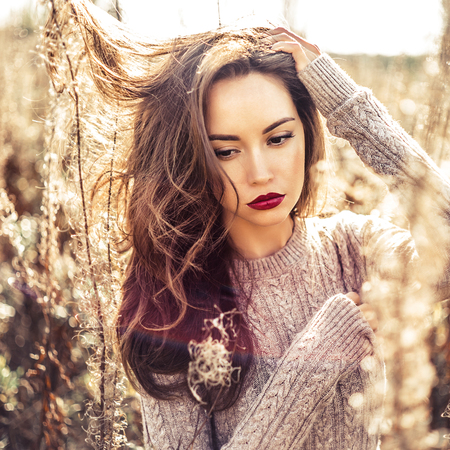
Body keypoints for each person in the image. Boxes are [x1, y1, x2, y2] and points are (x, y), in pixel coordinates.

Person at [62, 3, 450, 448]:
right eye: (226, 151)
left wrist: (346, 107)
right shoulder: (173, 302)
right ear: (192, 161)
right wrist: (315, 362)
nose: (261, 172)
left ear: (307, 133)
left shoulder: (353, 249)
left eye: (279, 138)